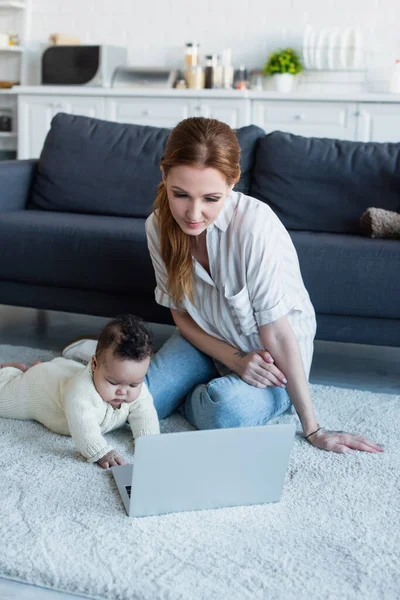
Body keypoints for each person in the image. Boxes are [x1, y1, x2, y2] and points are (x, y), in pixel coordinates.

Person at [63, 117, 382, 456]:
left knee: (223, 410)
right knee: (129, 398)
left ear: (232, 184)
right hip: (206, 342)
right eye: (181, 194)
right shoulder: (157, 226)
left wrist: (314, 429)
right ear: (164, 175)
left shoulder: (254, 228)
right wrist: (233, 359)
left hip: (273, 360)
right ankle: (83, 366)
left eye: (211, 198)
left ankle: (198, 390)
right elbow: (181, 315)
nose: (193, 214)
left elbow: (278, 334)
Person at [0, 314, 160, 468]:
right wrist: (101, 452)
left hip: (61, 372)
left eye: (133, 385)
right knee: (4, 399)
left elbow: (145, 413)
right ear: (94, 364)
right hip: (38, 386)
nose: (123, 392)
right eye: (113, 382)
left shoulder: (135, 385)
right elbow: (83, 427)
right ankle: (8, 373)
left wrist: (149, 442)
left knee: (58, 371)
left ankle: (28, 368)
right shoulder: (81, 392)